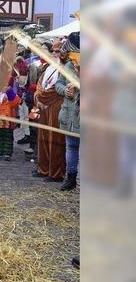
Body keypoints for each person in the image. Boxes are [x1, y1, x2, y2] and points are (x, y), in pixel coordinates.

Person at [34, 39, 66, 182]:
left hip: (56, 105)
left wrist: (42, 98)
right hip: (44, 105)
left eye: (57, 51)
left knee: (55, 140)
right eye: (52, 51)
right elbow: (40, 84)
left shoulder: (65, 68)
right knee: (43, 138)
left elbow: (58, 89)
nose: (54, 53)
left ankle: (56, 172)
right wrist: (38, 99)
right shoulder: (48, 67)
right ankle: (44, 168)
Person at [55, 32, 80, 191]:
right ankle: (71, 179)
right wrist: (65, 90)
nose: (69, 55)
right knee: (71, 147)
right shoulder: (67, 66)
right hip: (69, 116)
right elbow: (58, 84)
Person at [0, 87, 21, 160]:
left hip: (8, 122)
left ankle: (7, 153)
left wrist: (9, 92)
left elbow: (16, 101)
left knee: (8, 138)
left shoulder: (9, 94)